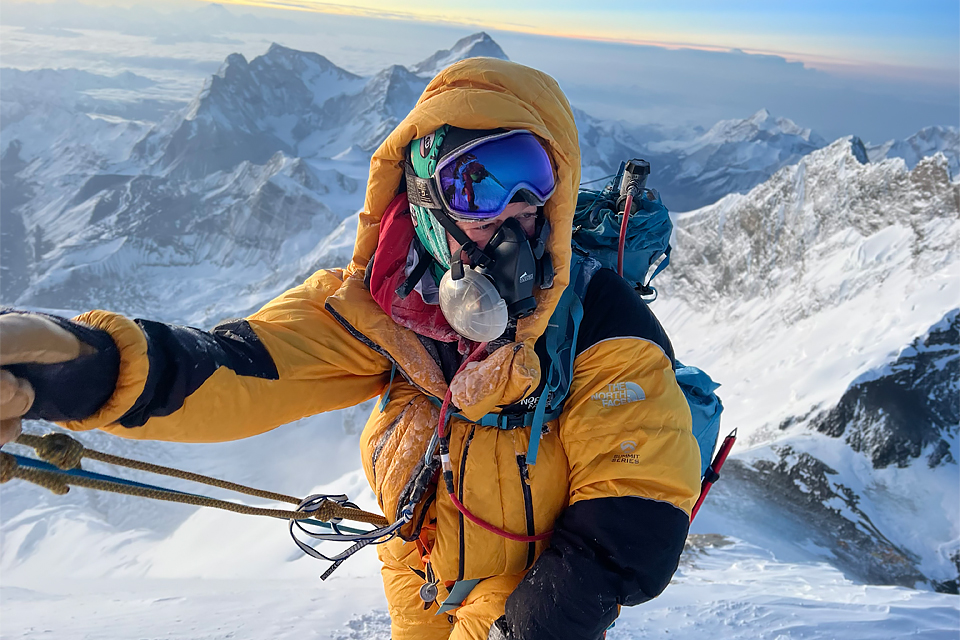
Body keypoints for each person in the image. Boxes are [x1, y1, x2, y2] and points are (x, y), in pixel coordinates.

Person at [0, 58, 701, 640]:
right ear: (423, 197)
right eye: (477, 183)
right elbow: (239, 368)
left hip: (520, 599)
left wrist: (532, 627)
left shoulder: (600, 321)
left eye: (535, 179)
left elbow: (636, 507)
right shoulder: (382, 306)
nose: (517, 210)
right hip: (418, 564)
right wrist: (81, 367)